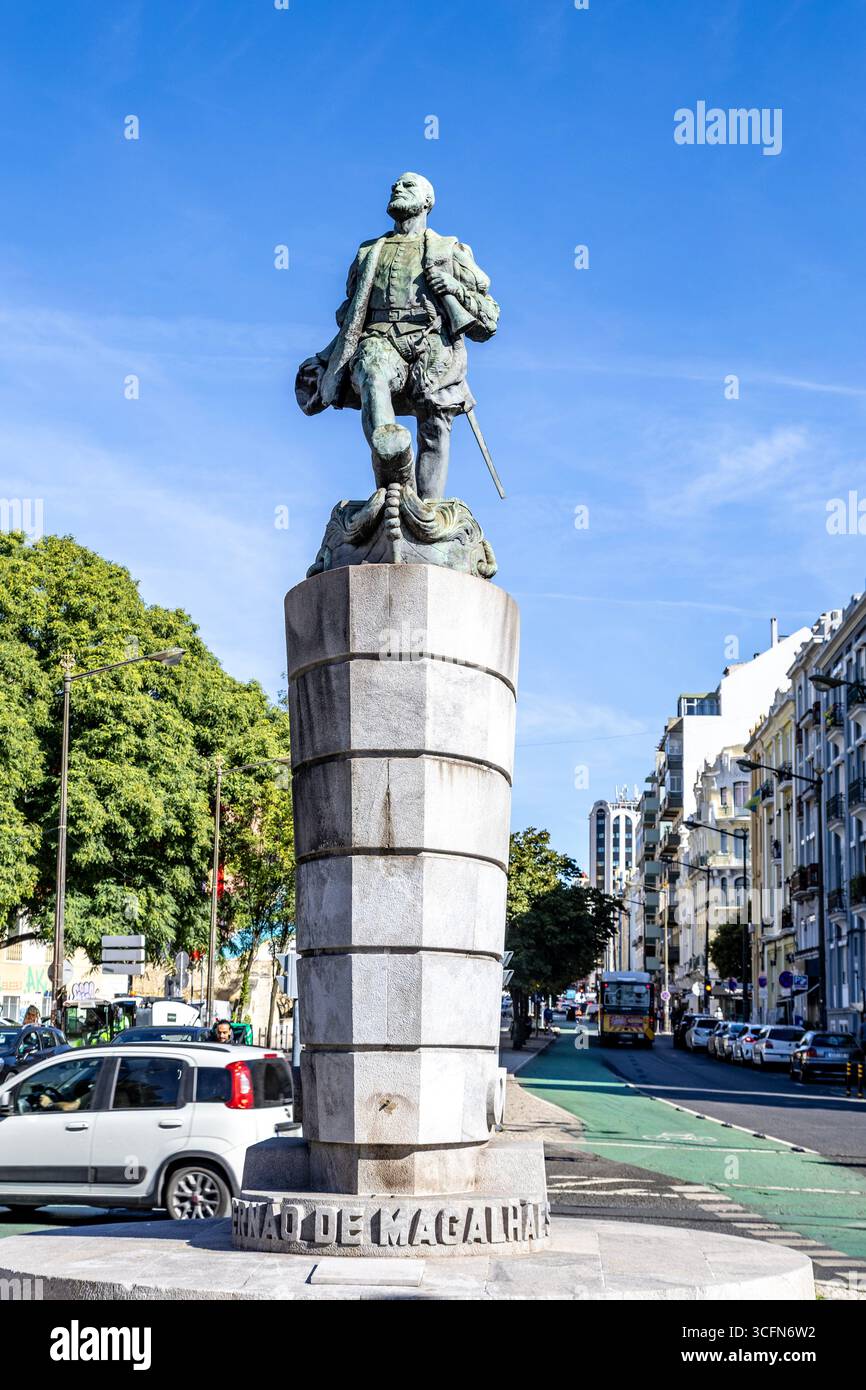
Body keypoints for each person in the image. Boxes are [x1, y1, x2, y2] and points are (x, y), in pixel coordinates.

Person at [296, 172, 500, 500]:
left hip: (433, 343)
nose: (397, 188)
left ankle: (427, 514)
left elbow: (488, 319)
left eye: (408, 185)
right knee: (371, 371)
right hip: (380, 340)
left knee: (434, 422)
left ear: (427, 201)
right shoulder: (368, 252)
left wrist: (455, 289)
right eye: (396, 185)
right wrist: (325, 359)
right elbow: (351, 317)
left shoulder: (449, 249)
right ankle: (394, 468)